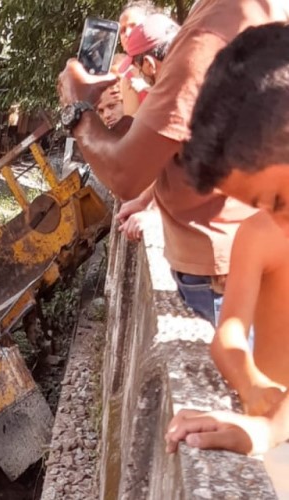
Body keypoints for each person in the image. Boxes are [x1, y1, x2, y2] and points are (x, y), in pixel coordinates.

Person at [56, 0, 289, 327]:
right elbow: (182, 145)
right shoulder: (247, 11)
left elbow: (125, 173)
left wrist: (76, 109)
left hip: (221, 273)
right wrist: (148, 200)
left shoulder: (210, 33)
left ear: (147, 64)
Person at [166, 22, 289, 457]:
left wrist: (270, 430)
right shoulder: (260, 234)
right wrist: (252, 385)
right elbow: (229, 333)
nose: (277, 220)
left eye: (279, 200)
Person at [114, 14, 181, 242]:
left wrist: (156, 213)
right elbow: (175, 162)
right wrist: (145, 201)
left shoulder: (183, 98)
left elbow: (202, 169)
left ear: (149, 65)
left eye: (138, 68)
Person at [117, 0, 163, 115]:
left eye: (133, 26)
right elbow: (131, 124)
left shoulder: (172, 56)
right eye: (122, 30)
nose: (127, 33)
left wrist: (147, 90)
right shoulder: (129, 79)